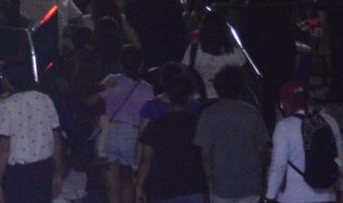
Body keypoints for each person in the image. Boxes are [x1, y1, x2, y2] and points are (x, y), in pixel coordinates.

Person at [194, 64, 270, 203]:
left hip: (221, 185)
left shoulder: (208, 115)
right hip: (250, 184)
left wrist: (210, 182)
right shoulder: (252, 113)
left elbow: (206, 156)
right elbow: (263, 151)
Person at [134, 64, 207, 203]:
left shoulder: (157, 124)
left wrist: (138, 184)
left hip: (164, 187)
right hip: (193, 185)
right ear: (189, 96)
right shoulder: (198, 123)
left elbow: (146, 158)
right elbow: (206, 155)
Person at [0, 61, 63, 203]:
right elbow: (56, 141)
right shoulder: (45, 99)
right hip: (44, 169)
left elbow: (4, 148)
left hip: (18, 174)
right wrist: (58, 174)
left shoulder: (6, 106)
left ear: (8, 79)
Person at [265, 81, 343, 203]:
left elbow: (279, 166)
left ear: (286, 103)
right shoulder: (328, 121)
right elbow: (339, 158)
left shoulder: (284, 127)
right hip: (327, 195)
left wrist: (269, 197)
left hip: (294, 196)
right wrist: (341, 189)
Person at [98, 46, 153, 203]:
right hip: (133, 135)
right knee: (128, 180)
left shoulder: (111, 80)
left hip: (111, 133)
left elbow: (93, 100)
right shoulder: (148, 89)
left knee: (112, 184)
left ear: (120, 63)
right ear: (141, 64)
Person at [184, 8, 246, 100]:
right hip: (229, 99)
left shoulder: (194, 50)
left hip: (200, 99)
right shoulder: (235, 52)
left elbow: (185, 71)